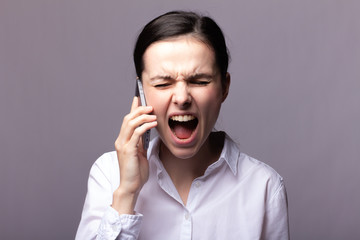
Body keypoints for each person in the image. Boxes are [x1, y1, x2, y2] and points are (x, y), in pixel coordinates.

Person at [75, 11, 289, 240]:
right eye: (162, 83)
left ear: (224, 87)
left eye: (200, 81)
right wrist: (127, 193)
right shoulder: (109, 175)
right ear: (141, 93)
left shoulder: (264, 187)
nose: (182, 97)